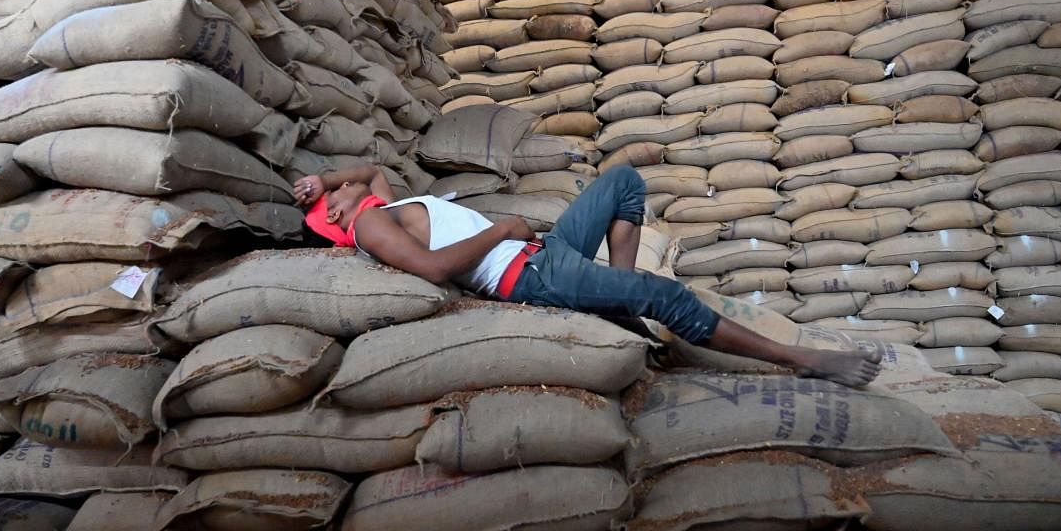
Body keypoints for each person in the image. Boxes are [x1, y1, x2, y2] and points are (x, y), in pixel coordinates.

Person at [293, 162, 882, 387]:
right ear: (339, 217)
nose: (346, 185)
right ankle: (803, 361)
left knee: (623, 181)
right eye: (337, 193)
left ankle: (622, 312)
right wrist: (502, 230)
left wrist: (322, 180)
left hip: (543, 251)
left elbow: (368, 169)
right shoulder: (370, 229)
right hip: (529, 278)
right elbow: (433, 267)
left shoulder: (381, 205)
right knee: (665, 295)